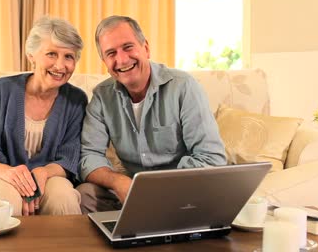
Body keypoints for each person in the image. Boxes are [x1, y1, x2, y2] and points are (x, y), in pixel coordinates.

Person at [77, 15, 227, 213]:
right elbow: (89, 155)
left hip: (182, 189)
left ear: (145, 48)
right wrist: (119, 182)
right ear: (104, 61)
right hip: (131, 191)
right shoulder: (101, 97)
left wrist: (158, 190)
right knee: (85, 194)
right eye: (111, 53)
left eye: (128, 47)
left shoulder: (184, 87)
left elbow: (211, 158)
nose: (121, 59)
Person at [0, 16, 87, 217]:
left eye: (69, 56)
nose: (60, 66)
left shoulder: (76, 100)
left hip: (47, 177)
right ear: (31, 55)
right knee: (4, 200)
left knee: (63, 197)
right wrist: (12, 175)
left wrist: (42, 173)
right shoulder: (1, 90)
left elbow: (69, 160)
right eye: (51, 54)